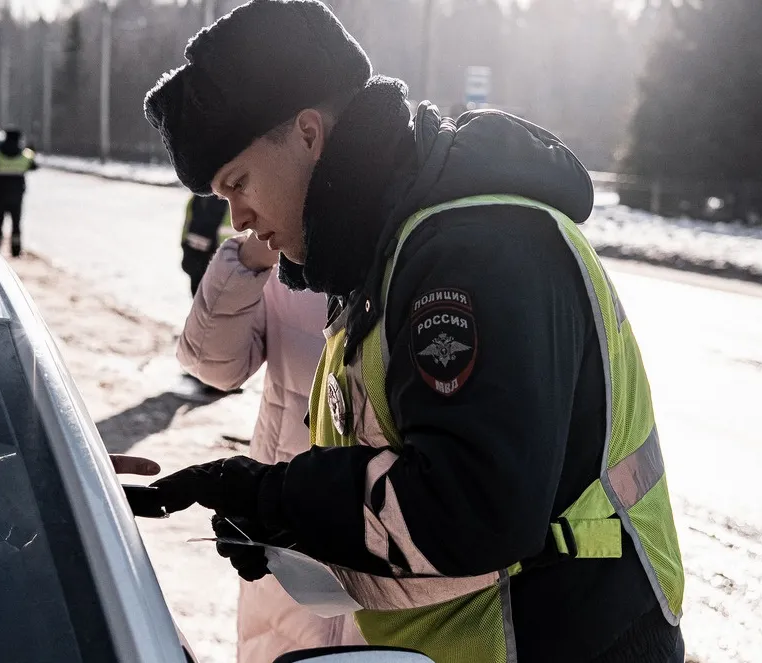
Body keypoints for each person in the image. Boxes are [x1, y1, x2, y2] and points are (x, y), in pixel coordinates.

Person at [138, 2, 686, 662]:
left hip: (562, 638)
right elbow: (402, 488)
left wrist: (272, 494)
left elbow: (472, 506)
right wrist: (283, 525)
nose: (239, 218)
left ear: (309, 134)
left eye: (238, 182)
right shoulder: (383, 253)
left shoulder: (473, 249)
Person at [176, 232, 364, 661]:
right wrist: (248, 258)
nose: (238, 209)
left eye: (239, 183)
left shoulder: (429, 257)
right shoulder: (284, 252)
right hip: (283, 542)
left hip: (389, 554)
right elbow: (211, 364)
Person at [0, 128, 38, 257]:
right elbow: (33, 166)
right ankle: (16, 249)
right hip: (17, 195)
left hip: (1, 194)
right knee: (16, 222)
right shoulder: (24, 155)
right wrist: (32, 151)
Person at [181, 194, 234, 296]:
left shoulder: (229, 200)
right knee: (198, 297)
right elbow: (187, 223)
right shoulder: (196, 197)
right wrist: (184, 245)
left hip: (217, 259)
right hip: (195, 257)